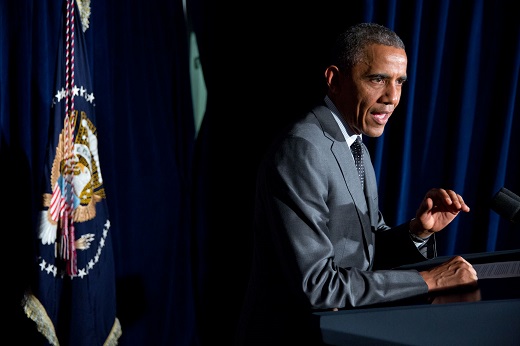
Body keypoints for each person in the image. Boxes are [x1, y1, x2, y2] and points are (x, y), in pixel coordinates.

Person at [235, 22, 478, 346]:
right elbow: (318, 286)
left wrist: (415, 233)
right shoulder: (301, 150)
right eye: (377, 79)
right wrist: (428, 280)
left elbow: (365, 252)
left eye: (399, 82)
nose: (392, 97)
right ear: (334, 80)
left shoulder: (355, 144)